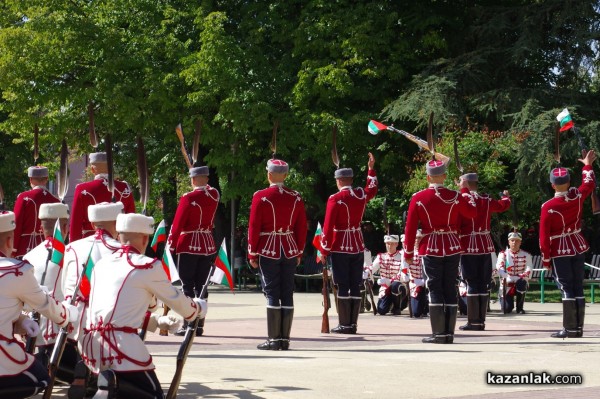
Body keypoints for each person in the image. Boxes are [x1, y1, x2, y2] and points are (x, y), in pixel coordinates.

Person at [80, 213, 205, 398]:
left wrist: (155, 322)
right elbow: (184, 308)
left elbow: (115, 312)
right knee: (153, 395)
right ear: (145, 238)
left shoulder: (101, 265)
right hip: (121, 349)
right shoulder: (146, 266)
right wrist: (199, 308)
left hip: (92, 347)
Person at [0, 211, 78, 398]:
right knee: (40, 378)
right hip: (3, 356)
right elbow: (45, 305)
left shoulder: (25, 261)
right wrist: (68, 315)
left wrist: (20, 321)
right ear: (10, 241)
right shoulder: (16, 271)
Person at [403, 160, 476, 344]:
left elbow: (410, 228)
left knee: (435, 287)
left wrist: (408, 254)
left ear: (428, 176)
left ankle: (438, 334)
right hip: (452, 245)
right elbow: (472, 213)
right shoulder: (455, 196)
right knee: (450, 286)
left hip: (430, 246)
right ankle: (449, 334)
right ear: (444, 176)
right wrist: (465, 190)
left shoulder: (419, 198)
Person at [62, 202, 123, 398]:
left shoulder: (72, 247)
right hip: (108, 317)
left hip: (78, 317)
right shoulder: (120, 249)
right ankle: (102, 379)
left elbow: (66, 288)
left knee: (85, 349)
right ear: (115, 222)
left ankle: (84, 371)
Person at [248, 159, 307, 350]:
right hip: (289, 248)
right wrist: (298, 250)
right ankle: (284, 339)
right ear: (286, 175)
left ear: (269, 174)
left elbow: (254, 227)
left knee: (272, 292)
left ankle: (274, 340)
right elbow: (301, 227)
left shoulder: (261, 196)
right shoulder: (295, 196)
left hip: (268, 248)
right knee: (287, 291)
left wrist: (252, 252)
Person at [540, 150, 596, 338]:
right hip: (577, 244)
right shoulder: (577, 197)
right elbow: (589, 183)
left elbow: (543, 237)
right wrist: (587, 164)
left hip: (559, 248)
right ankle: (577, 328)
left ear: (552, 185)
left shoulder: (548, 206)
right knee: (577, 286)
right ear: (569, 183)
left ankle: (570, 328)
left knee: (566, 287)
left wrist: (546, 259)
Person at [320, 153, 378, 334]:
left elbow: (328, 227)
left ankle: (345, 324)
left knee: (342, 284)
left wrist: (324, 249)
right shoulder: (360, 194)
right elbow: (372, 189)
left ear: (338, 181)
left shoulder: (335, 199)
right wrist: (370, 169)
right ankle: (352, 324)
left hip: (340, 246)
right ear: (351, 179)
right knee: (355, 284)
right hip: (357, 244)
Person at [168, 166, 220, 337]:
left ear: (193, 179)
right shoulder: (214, 196)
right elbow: (210, 190)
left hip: (189, 244)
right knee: (202, 287)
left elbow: (178, 223)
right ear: (206, 178)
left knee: (187, 286)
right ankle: (199, 325)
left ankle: (189, 323)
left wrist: (171, 244)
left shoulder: (188, 198)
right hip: (206, 245)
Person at [457, 173, 511, 331]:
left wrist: (463, 191)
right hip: (485, 245)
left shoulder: (463, 198)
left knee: (472, 282)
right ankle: (480, 321)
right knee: (482, 283)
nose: (459, 183)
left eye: (461, 181)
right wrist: (506, 197)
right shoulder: (486, 200)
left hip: (469, 245)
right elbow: (503, 205)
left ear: (466, 182)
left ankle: (474, 321)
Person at [22, 203, 70, 370]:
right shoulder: (73, 254)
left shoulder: (28, 257)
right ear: (65, 227)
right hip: (67, 333)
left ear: (41, 228)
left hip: (36, 333)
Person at [69, 152, 135, 241]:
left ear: (92, 170)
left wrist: (73, 248)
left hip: (90, 243)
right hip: (118, 244)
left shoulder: (82, 189)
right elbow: (131, 221)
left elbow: (75, 225)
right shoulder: (124, 188)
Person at [12, 166, 60, 257]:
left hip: (26, 249)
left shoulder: (24, 197)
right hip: (50, 250)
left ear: (30, 180)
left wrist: (13, 249)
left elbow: (16, 225)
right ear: (46, 179)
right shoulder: (56, 200)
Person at [367, 234, 409, 315]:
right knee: (381, 311)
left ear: (396, 244)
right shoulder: (381, 257)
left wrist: (389, 281)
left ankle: (398, 306)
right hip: (385, 287)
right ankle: (390, 303)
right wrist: (366, 272)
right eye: (388, 244)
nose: (389, 246)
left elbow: (403, 272)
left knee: (395, 285)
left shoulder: (401, 257)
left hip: (399, 285)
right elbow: (372, 268)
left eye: (392, 243)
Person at [496, 231, 532, 314]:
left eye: (517, 240)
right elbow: (499, 267)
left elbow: (529, 269)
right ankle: (503, 298)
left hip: (520, 281)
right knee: (506, 309)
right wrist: (504, 275)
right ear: (509, 242)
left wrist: (520, 277)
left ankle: (519, 308)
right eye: (512, 240)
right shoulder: (503, 254)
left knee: (522, 283)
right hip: (507, 283)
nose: (514, 242)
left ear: (520, 242)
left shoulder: (527, 255)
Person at [404, 230, 429, 318]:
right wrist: (404, 274)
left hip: (427, 282)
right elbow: (404, 267)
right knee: (416, 312)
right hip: (415, 283)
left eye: (419, 238)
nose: (417, 240)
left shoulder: (428, 251)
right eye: (415, 238)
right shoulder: (409, 252)